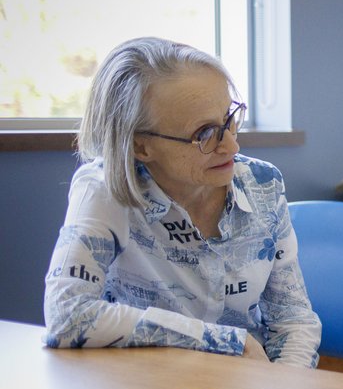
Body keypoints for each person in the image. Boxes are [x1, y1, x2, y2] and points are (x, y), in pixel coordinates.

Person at [44, 36, 321, 367]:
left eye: (230, 117)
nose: (231, 145)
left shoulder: (262, 183)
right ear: (140, 147)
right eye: (204, 133)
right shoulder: (105, 189)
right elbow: (67, 313)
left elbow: (292, 320)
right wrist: (226, 342)